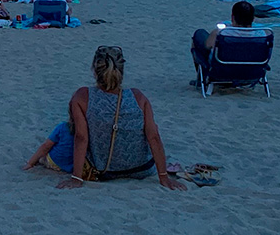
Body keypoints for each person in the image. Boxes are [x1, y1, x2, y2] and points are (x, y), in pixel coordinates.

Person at [56, 46, 186, 191]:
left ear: (94, 70)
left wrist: (76, 178)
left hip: (105, 171)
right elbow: (153, 136)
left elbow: (81, 137)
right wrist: (163, 176)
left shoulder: (82, 96)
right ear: (121, 71)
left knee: (65, 131)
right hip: (141, 169)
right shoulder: (138, 97)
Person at [191, 1, 266, 73]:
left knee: (199, 34)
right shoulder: (261, 35)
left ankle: (203, 78)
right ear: (253, 18)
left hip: (222, 71)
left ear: (232, 17)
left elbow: (207, 46)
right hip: (251, 72)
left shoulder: (222, 33)